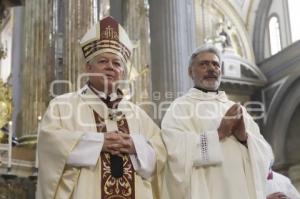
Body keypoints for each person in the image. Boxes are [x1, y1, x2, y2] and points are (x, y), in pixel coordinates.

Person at [37, 16, 166, 199]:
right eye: (103, 61)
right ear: (89, 67)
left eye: (117, 63)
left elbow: (161, 154)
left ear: (122, 71)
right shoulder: (62, 106)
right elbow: (50, 143)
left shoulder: (139, 116)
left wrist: (135, 146)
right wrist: (99, 142)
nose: (111, 68)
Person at [161, 44, 274, 199]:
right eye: (204, 64)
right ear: (190, 72)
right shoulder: (180, 107)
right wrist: (218, 133)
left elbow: (266, 154)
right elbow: (174, 150)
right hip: (209, 191)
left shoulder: (236, 109)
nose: (211, 68)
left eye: (215, 64)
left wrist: (244, 138)